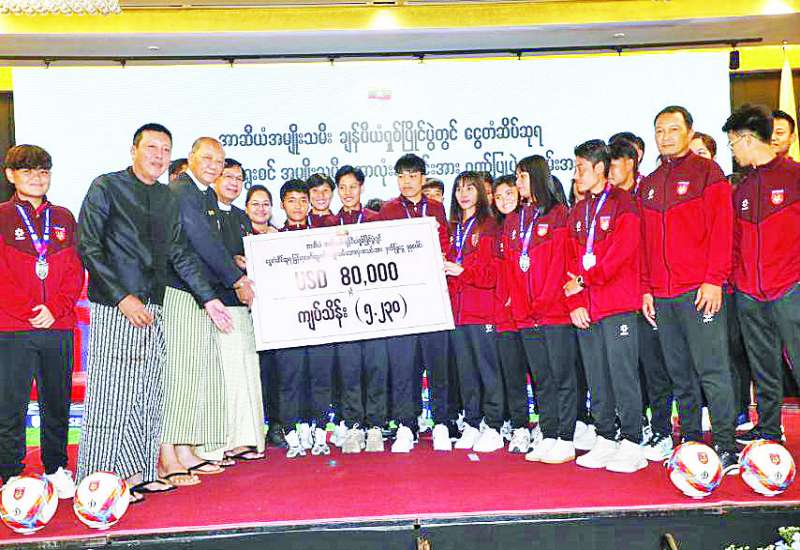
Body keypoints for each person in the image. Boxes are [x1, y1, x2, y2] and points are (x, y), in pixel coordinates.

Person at [77, 123, 232, 502]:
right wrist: (122, 297)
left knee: (148, 391)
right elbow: (88, 246)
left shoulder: (166, 197)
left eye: (165, 150)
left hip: (154, 305)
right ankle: (101, 479)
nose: (159, 156)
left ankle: (139, 472)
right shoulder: (106, 186)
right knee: (112, 392)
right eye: (151, 147)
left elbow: (179, 252)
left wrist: (208, 298)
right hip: (115, 305)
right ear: (134, 150)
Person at [638, 105, 739, 474]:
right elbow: (645, 244)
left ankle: (726, 445)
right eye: (660, 130)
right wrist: (647, 289)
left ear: (689, 132)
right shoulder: (649, 184)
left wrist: (714, 279)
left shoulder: (707, 173)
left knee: (713, 370)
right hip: (662, 297)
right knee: (679, 374)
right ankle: (692, 441)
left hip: (700, 291)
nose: (665, 137)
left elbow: (722, 229)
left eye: (673, 129)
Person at [160, 137, 255, 479]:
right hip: (180, 291)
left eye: (220, 160)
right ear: (190, 158)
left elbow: (211, 245)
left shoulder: (202, 195)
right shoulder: (181, 191)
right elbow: (199, 240)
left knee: (196, 374)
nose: (214, 165)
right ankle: (167, 454)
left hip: (200, 294)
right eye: (207, 158)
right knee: (180, 375)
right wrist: (237, 280)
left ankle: (186, 448)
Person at [0, 145, 83, 498]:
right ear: (11, 175)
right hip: (12, 327)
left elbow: (75, 270)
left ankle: (56, 467)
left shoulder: (63, 217)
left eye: (43, 171)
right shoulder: (2, 216)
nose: (37, 177)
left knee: (57, 401)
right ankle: (10, 473)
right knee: (10, 404)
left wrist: (56, 308)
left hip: (57, 326)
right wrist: (31, 310)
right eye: (28, 171)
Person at [562, 140, 645, 473]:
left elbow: (621, 254)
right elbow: (569, 262)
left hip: (617, 303)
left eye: (580, 168)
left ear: (599, 168)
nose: (576, 175)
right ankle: (606, 436)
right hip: (588, 307)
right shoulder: (578, 211)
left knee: (622, 374)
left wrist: (585, 281)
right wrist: (576, 301)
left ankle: (633, 441)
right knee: (597, 376)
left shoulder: (624, 203)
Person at [723, 104, 800, 443]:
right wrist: (736, 282)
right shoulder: (743, 187)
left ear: (747, 139)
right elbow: (735, 243)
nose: (732, 151)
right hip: (750, 294)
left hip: (790, 288)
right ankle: (769, 427)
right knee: (763, 367)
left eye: (732, 144)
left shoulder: (794, 176)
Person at [502, 156, 577, 464]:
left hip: (554, 312)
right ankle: (549, 434)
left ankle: (566, 438)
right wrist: (522, 306)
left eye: (521, 177)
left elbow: (560, 262)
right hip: (526, 316)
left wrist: (544, 300)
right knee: (542, 378)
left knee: (562, 377)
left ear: (536, 177)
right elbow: (512, 268)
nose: (517, 183)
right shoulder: (514, 220)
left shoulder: (559, 214)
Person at [378, 154, 452, 453]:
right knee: (403, 368)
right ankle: (406, 426)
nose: (406, 182)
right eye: (401, 176)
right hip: (402, 301)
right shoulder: (388, 210)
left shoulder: (436, 208)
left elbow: (445, 246)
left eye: (412, 176)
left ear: (423, 178)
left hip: (433, 298)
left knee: (438, 367)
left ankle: (442, 423)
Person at [608, 139, 676, 461]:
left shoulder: (648, 192)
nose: (609, 172)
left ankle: (663, 430)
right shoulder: (606, 201)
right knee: (626, 370)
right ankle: (637, 425)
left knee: (654, 368)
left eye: (614, 164)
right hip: (618, 298)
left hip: (649, 294)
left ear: (631, 162)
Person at [444, 171, 504, 453]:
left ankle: (494, 426)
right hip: (457, 313)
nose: (463, 194)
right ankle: (472, 422)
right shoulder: (453, 228)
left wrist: (462, 271)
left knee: (488, 371)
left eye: (469, 188)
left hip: (482, 311)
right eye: (458, 189)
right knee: (466, 372)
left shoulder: (489, 226)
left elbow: (492, 274)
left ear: (480, 191)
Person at [212, 158, 266, 462]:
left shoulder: (242, 218)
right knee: (227, 376)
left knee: (246, 372)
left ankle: (246, 439)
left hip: (244, 306)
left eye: (239, 178)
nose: (233, 183)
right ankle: (222, 442)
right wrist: (231, 264)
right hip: (218, 305)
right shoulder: (204, 214)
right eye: (228, 176)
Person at [331, 165, 387, 453]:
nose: (348, 192)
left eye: (353, 186)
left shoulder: (376, 220)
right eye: (342, 187)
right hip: (342, 310)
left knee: (376, 366)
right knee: (349, 369)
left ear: (362, 188)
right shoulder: (328, 224)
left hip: (374, 308)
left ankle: (375, 425)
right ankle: (353, 425)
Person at [491, 175, 533, 453]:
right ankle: (520, 427)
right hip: (506, 316)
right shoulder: (496, 228)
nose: (504, 200)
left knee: (541, 375)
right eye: (498, 196)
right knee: (513, 374)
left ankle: (547, 426)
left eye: (509, 193)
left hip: (531, 313)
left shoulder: (530, 222)